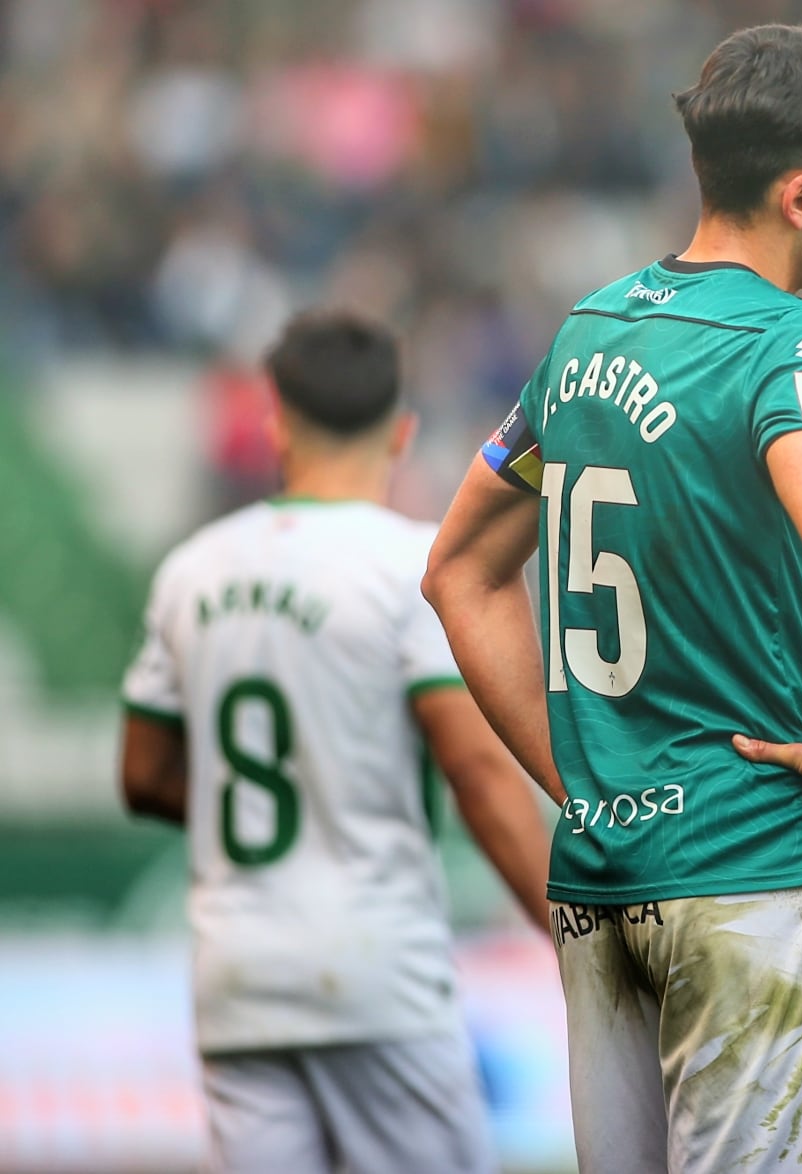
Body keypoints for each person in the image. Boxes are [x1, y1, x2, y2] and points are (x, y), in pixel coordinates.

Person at [421, 24, 802, 1174]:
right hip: (752, 874)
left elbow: (457, 571)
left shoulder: (587, 333)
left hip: (602, 881)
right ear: (800, 194)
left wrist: (586, 779)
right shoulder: (792, 347)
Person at [118, 309, 553, 1174]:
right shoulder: (408, 565)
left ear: (276, 423)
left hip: (236, 979)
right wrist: (567, 931)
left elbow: (142, 777)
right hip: (376, 971)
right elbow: (477, 771)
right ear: (402, 432)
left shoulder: (191, 570)